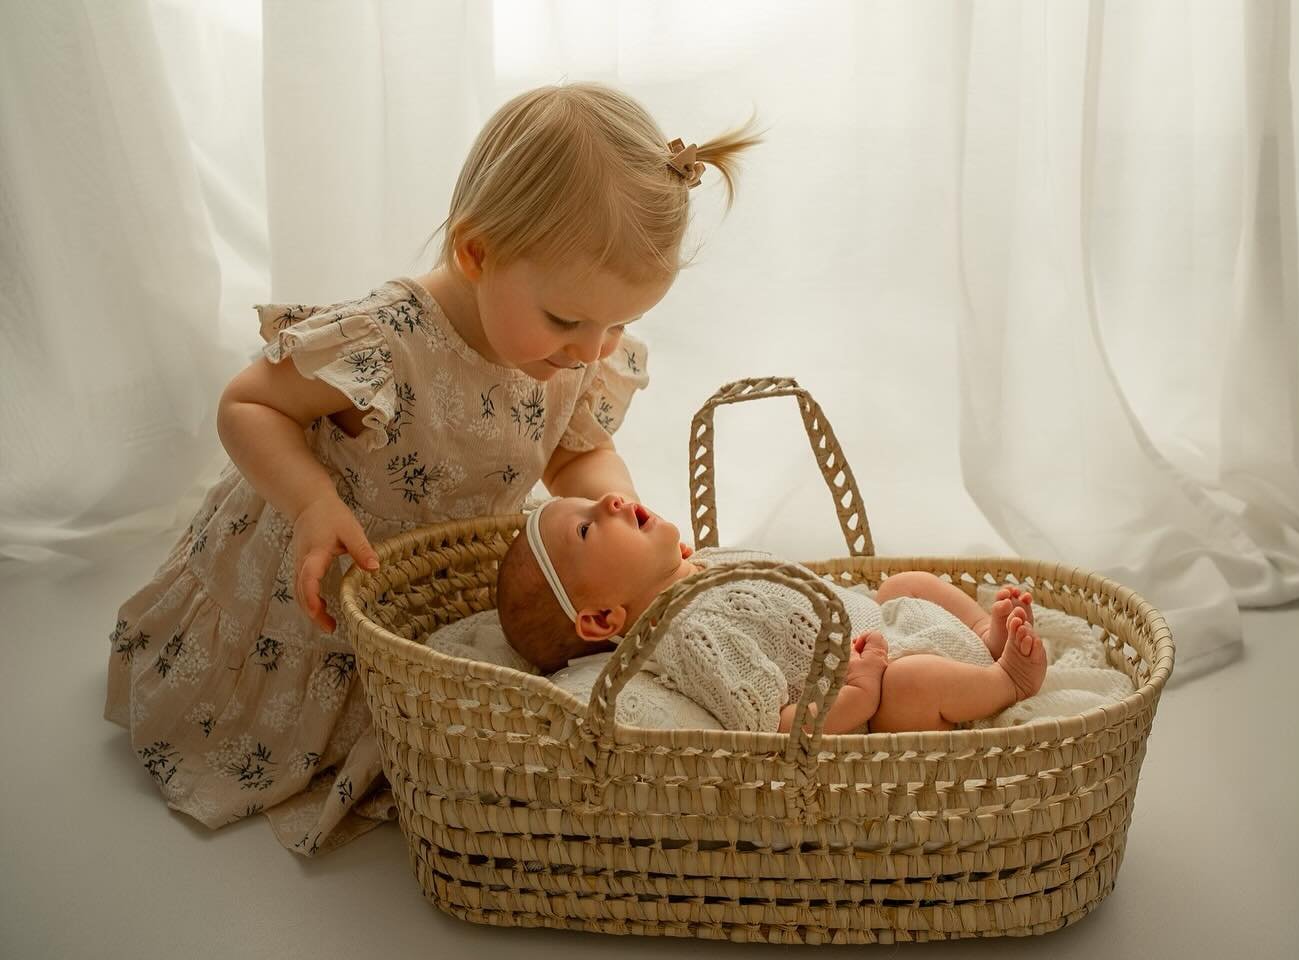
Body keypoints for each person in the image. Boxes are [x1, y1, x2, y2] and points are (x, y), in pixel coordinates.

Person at [104, 82, 763, 855]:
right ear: (476, 252)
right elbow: (249, 404)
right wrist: (313, 501)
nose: (592, 349)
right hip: (310, 579)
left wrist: (621, 519)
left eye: (621, 323)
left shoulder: (570, 347)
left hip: (414, 594)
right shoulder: (388, 340)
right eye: (567, 320)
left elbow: (576, 449)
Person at [496, 493, 1048, 735]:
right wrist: (858, 691)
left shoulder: (705, 562)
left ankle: (981, 631)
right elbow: (771, 727)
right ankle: (1004, 679)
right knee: (907, 688)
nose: (611, 500)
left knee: (902, 584)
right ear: (600, 620)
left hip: (884, 622)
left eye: (594, 498)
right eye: (589, 527)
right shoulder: (686, 638)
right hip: (888, 678)